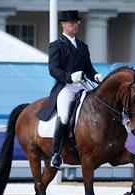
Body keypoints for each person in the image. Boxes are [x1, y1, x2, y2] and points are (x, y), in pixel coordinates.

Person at [37, 10, 102, 170]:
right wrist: (69, 76)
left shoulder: (83, 46)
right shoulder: (56, 45)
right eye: (72, 23)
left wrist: (95, 76)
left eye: (76, 22)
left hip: (83, 86)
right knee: (64, 116)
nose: (75, 25)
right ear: (63, 24)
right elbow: (53, 69)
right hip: (66, 87)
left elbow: (88, 68)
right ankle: (56, 154)